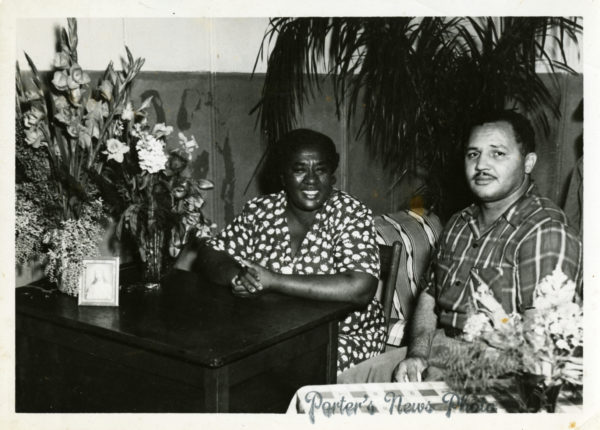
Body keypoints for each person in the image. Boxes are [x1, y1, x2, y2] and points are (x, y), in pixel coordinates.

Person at [337, 110, 583, 383]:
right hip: (442, 347)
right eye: (473, 154)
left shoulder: (544, 230)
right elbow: (429, 299)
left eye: (498, 154)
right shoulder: (458, 222)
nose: (481, 165)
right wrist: (417, 355)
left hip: (506, 370)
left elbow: (543, 350)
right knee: (345, 384)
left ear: (528, 162)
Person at [192, 128, 387, 373]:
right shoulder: (260, 211)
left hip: (342, 339)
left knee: (272, 377)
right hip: (272, 334)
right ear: (283, 176)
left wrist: (274, 281)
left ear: (332, 176)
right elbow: (211, 251)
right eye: (299, 169)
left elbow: (361, 288)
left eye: (321, 170)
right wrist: (237, 276)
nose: (311, 180)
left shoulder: (350, 214)